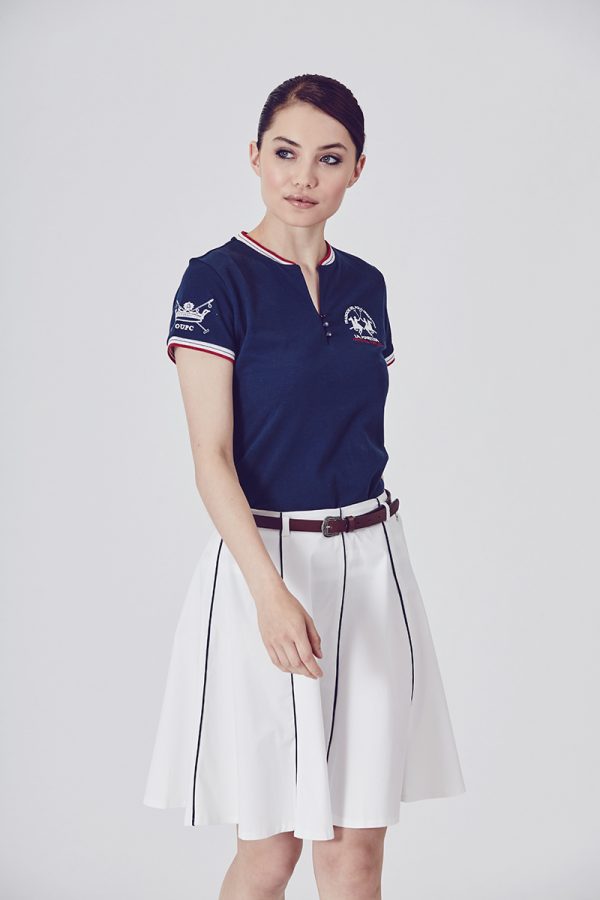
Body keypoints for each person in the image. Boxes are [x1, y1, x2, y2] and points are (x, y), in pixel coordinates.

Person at [143, 73, 466, 900]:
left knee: (356, 852)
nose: (304, 176)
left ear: (357, 169)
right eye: (286, 153)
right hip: (267, 563)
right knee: (272, 849)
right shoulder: (215, 282)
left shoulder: (366, 286)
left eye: (329, 157)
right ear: (255, 155)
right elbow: (211, 457)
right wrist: (269, 595)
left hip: (374, 565)